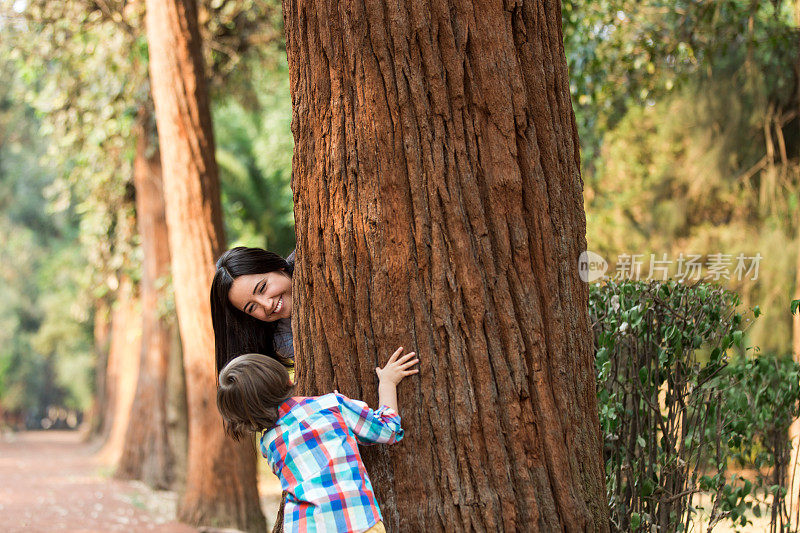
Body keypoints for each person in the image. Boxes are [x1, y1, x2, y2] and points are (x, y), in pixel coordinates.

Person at [217, 347, 419, 533]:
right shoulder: (332, 405)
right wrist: (388, 382)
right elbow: (388, 430)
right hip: (357, 522)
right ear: (287, 380)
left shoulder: (269, 445)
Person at [210, 246, 296, 375]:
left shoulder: (312, 258)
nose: (267, 305)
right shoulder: (282, 340)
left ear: (277, 266)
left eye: (262, 288)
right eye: (251, 307)